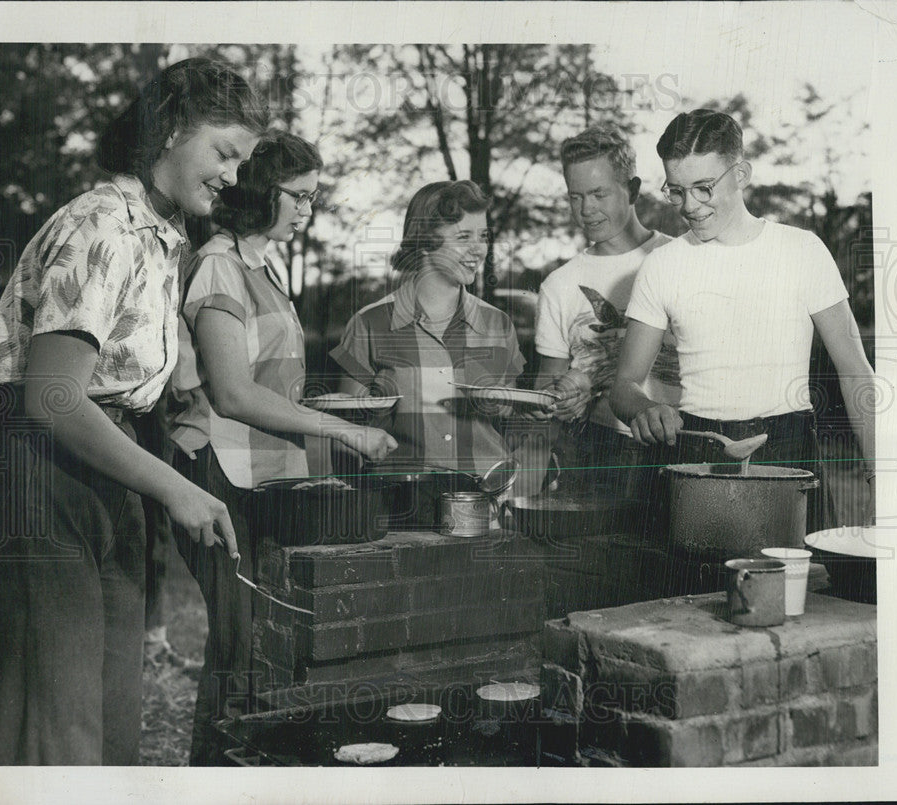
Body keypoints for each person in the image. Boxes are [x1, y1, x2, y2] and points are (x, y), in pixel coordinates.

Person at [0, 57, 264, 765]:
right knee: (58, 734)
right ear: (167, 129)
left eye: (242, 161)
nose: (232, 176)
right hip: (39, 469)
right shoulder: (101, 223)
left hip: (111, 461)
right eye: (224, 153)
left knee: (113, 724)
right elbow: (53, 394)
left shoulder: (163, 238)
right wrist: (175, 487)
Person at [168, 132, 398, 765]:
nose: (309, 209)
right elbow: (235, 395)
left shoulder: (261, 267)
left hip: (260, 475)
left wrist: (329, 413)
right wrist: (343, 429)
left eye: (314, 196)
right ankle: (214, 775)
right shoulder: (218, 265)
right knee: (238, 643)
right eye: (299, 195)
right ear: (259, 194)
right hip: (216, 471)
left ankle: (238, 770)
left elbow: (272, 385)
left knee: (258, 642)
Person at [611, 108, 875, 540]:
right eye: (676, 191)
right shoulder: (662, 266)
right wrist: (645, 409)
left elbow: (856, 371)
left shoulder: (802, 250)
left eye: (703, 188)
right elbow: (623, 385)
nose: (689, 207)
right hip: (693, 450)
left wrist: (879, 479)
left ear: (741, 173)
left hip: (790, 449)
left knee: (802, 598)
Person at [330, 180, 524, 477]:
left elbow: (509, 418)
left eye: (483, 236)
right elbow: (347, 439)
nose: (479, 249)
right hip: (398, 504)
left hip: (486, 503)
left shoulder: (499, 324)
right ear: (424, 242)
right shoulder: (370, 324)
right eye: (463, 237)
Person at [531, 127, 679, 502]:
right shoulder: (558, 285)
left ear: (631, 188)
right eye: (575, 197)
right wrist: (562, 396)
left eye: (599, 194)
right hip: (596, 455)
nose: (587, 209)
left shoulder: (680, 260)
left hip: (682, 444)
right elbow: (545, 386)